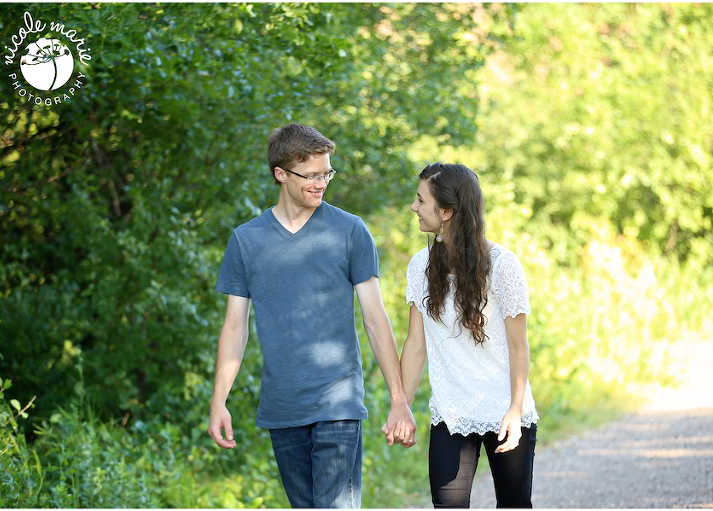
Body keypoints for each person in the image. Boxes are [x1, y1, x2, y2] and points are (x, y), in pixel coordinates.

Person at [209, 123, 416, 508]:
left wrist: (398, 397)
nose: (322, 184)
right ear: (281, 174)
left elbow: (375, 318)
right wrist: (219, 400)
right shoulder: (246, 241)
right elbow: (235, 327)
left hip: (339, 401)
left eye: (327, 174)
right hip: (283, 406)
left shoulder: (350, 231)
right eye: (312, 176)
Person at [386, 162, 539, 508]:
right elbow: (416, 345)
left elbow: (519, 347)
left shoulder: (503, 265)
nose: (413, 207)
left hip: (505, 411)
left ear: (447, 212)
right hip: (451, 413)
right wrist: (401, 407)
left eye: (421, 200)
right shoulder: (420, 266)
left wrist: (515, 409)